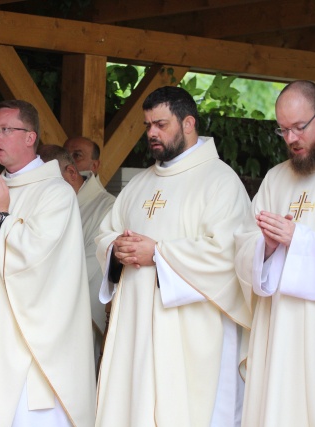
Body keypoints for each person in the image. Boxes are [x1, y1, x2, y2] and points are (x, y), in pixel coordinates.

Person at [95, 86, 252, 427]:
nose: (151, 132)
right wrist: (115, 250)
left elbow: (228, 255)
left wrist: (160, 254)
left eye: (160, 124)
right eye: (148, 124)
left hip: (189, 334)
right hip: (134, 328)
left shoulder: (221, 182)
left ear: (188, 123)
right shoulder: (139, 184)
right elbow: (107, 232)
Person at [0, 100, 96, 427]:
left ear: (30, 137)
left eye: (6, 129)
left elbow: (39, 262)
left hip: (27, 341)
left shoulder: (56, 193)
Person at [234, 80, 315, 427]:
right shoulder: (275, 179)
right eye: (283, 130)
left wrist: (302, 240)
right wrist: (266, 247)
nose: (291, 139)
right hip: (276, 334)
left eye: (298, 127)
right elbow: (244, 245)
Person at [38, 144, 115, 367]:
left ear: (71, 173)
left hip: (79, 319)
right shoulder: (47, 205)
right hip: (42, 315)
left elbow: (89, 268)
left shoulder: (107, 208)